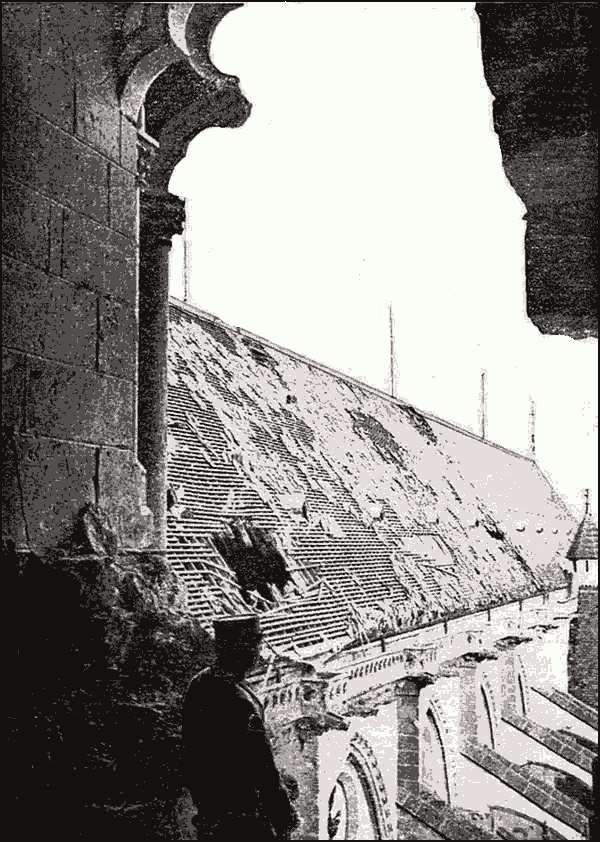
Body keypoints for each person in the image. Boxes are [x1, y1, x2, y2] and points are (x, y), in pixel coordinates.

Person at [182, 615, 299, 840]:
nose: (257, 652)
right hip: (244, 818)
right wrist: (284, 816)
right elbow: (262, 765)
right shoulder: (237, 699)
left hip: (212, 811)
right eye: (253, 644)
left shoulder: (201, 683)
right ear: (237, 648)